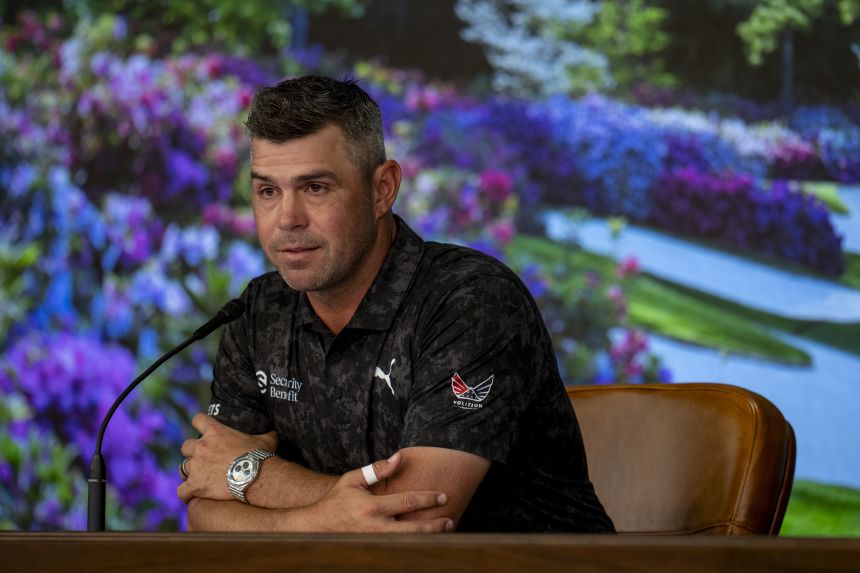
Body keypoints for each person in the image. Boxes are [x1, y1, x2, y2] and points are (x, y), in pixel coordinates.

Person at [177, 75, 614, 534]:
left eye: (316, 188)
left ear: (382, 189)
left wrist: (249, 476)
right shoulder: (258, 311)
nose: (287, 219)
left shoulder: (472, 299)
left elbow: (417, 519)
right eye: (268, 191)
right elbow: (205, 509)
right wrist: (321, 518)